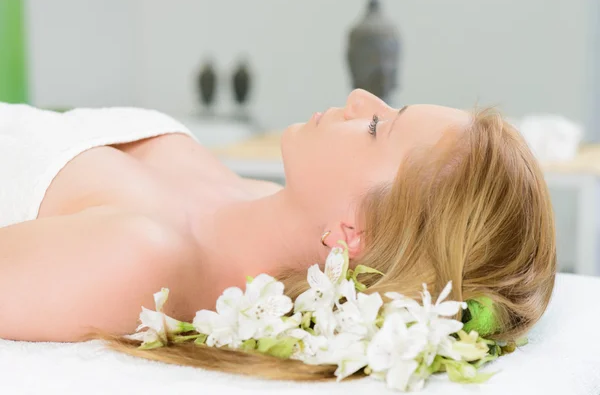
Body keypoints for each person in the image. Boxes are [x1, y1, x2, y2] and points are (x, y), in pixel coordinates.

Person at [0, 89, 555, 376]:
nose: (361, 99)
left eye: (376, 127)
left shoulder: (138, 260)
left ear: (349, 235)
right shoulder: (251, 200)